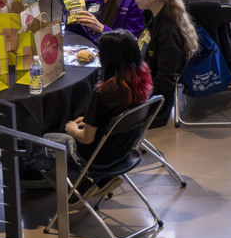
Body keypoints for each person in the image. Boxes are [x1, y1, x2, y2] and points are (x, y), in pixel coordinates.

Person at [46, 30, 152, 176]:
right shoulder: (141, 77)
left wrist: (71, 129)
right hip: (123, 151)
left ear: (110, 58)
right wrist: (90, 120)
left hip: (97, 159)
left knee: (44, 142)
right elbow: (117, 114)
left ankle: (78, 186)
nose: (97, 55)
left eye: (100, 52)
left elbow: (86, 138)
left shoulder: (106, 91)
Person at [131, 0, 199, 129]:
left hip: (153, 106)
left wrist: (134, 94)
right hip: (143, 86)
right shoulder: (155, 15)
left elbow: (165, 81)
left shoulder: (168, 32)